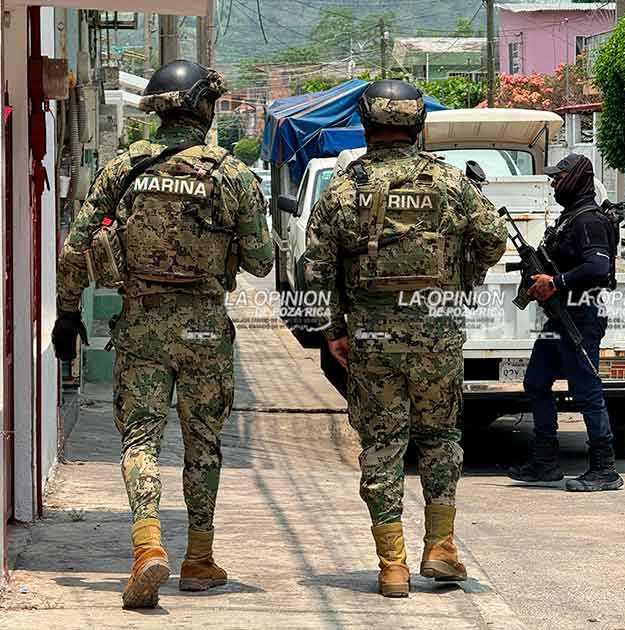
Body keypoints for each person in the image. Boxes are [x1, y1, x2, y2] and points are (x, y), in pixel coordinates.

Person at [52, 60, 273, 609]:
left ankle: (148, 545)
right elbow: (264, 262)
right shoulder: (231, 173)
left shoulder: (125, 168)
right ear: (204, 109)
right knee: (203, 443)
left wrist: (67, 314)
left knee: (140, 440)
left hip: (142, 326)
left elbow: (75, 250)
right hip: (204, 327)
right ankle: (199, 559)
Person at [304, 80, 507, 598]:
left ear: (367, 127)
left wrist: (334, 331)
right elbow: (491, 240)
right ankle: (441, 548)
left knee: (382, 446)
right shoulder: (450, 183)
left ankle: (391, 566)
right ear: (418, 126)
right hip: (437, 334)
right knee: (440, 440)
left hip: (371, 340)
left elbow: (317, 267)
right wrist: (461, 277)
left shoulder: (345, 190)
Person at [507, 153, 623, 492]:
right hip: (560, 317)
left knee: (586, 391)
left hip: (581, 316)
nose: (554, 183)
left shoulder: (589, 221)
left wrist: (556, 283)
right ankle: (544, 462)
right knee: (536, 382)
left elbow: (598, 268)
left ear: (576, 179)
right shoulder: (569, 218)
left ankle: (604, 469)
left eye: (559, 178)